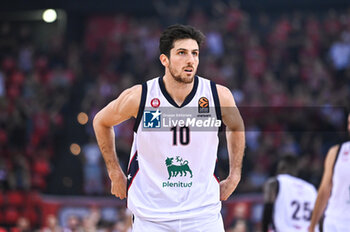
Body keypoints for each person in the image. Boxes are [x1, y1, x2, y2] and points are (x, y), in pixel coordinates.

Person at [93, 24, 245, 231]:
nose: (190, 60)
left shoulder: (217, 96)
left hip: (203, 215)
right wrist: (114, 173)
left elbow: (236, 127)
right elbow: (101, 121)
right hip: (152, 217)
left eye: (195, 53)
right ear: (164, 59)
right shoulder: (141, 96)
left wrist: (235, 174)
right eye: (181, 53)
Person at [309, 113, 350, 232]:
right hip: (334, 222)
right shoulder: (336, 152)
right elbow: (324, 190)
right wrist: (312, 227)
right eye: (348, 123)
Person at [262, 155, 318, 232]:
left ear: (281, 167)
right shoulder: (311, 188)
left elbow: (268, 209)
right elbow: (319, 217)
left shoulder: (274, 183)